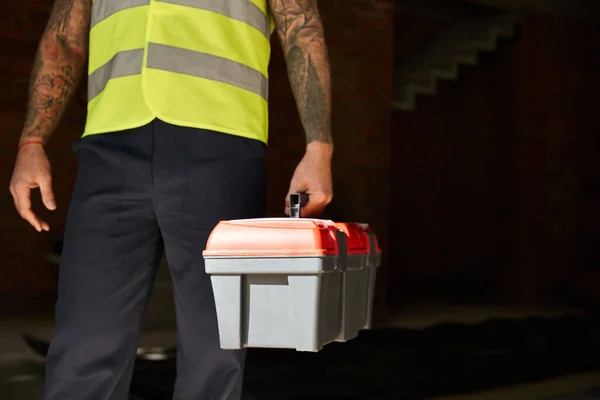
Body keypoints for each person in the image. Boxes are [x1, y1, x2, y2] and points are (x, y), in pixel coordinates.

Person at [9, 0, 333, 398]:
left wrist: (319, 147)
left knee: (215, 346)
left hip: (221, 145)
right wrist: (32, 141)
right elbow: (64, 34)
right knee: (84, 341)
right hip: (109, 144)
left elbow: (301, 26)